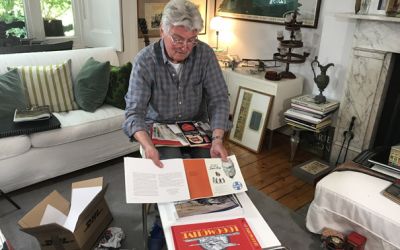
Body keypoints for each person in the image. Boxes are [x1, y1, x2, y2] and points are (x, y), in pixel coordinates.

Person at [123, 0, 231, 168]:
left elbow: (219, 99)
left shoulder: (205, 54)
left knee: (210, 168)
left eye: (192, 40)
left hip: (196, 128)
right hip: (160, 129)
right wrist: (148, 145)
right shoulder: (144, 61)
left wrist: (217, 139)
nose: (185, 47)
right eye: (178, 39)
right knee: (172, 172)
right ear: (161, 31)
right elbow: (134, 112)